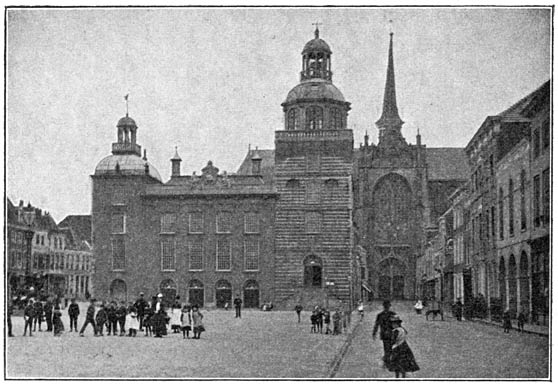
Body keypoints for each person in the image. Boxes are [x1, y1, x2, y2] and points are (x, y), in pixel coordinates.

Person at [372, 300, 396, 366]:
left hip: (384, 334)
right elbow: (397, 324)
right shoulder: (393, 314)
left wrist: (374, 333)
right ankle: (388, 359)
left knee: (386, 347)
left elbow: (376, 325)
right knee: (391, 347)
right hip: (391, 334)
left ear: (383, 306)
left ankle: (387, 359)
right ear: (389, 306)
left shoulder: (380, 315)